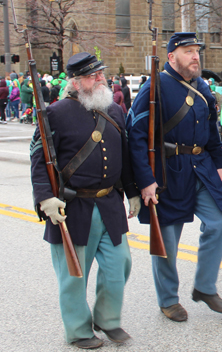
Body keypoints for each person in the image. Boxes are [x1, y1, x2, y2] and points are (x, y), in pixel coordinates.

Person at [30, 52, 141, 349]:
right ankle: (79, 330)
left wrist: (131, 190)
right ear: (77, 82)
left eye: (101, 73)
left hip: (109, 204)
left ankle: (107, 319)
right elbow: (39, 159)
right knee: (73, 276)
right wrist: (45, 199)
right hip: (74, 207)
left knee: (121, 265)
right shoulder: (55, 113)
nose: (101, 78)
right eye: (94, 75)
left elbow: (125, 156)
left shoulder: (114, 111)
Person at [126, 32, 222, 322]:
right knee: (168, 242)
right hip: (167, 171)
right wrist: (145, 180)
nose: (195, 56)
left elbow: (211, 130)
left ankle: (205, 286)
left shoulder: (202, 87)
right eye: (188, 51)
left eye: (197, 51)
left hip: (201, 166)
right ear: (171, 57)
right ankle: (169, 299)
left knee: (221, 222)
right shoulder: (155, 86)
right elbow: (135, 136)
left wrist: (219, 163)